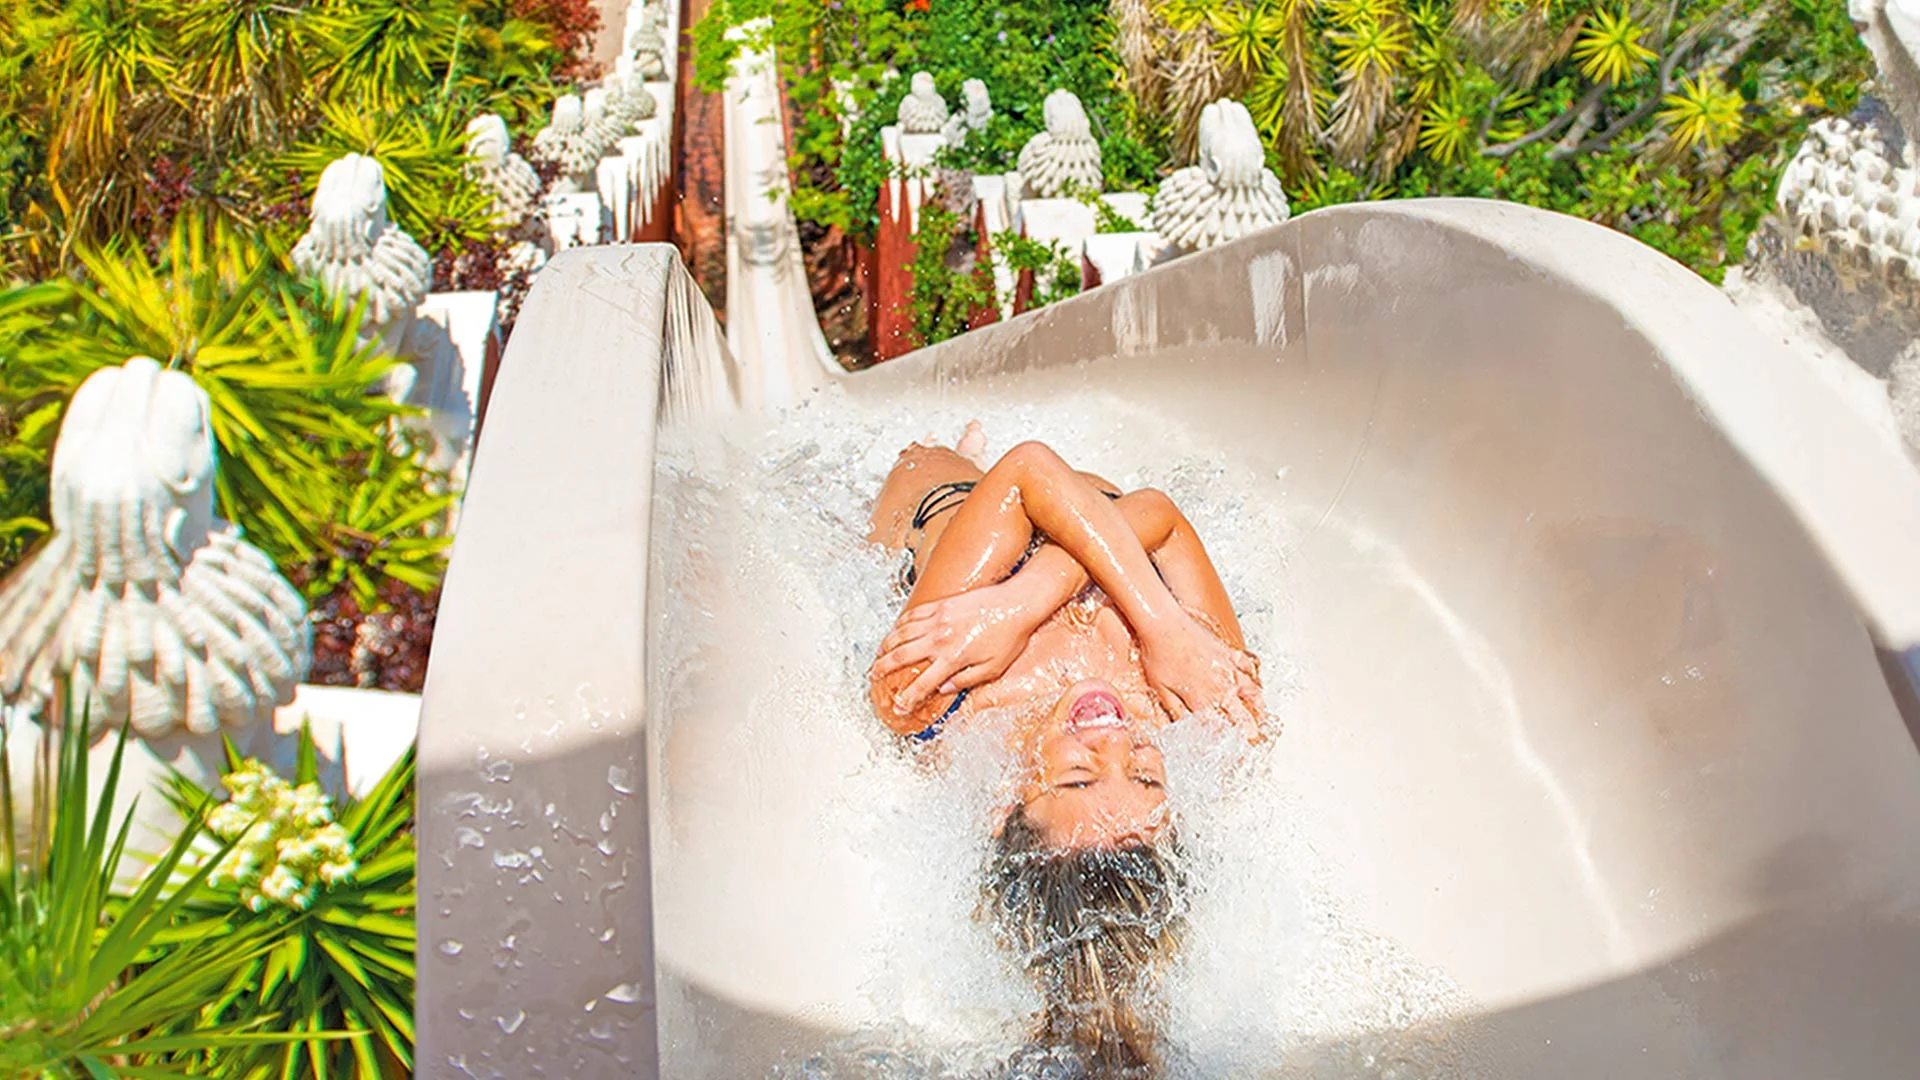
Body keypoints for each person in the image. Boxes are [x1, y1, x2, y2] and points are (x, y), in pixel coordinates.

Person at [865, 423, 1267, 1078]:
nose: (1111, 735)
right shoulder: (1208, 705)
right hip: (1085, 499)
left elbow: (1028, 471)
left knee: (922, 456)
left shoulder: (935, 693)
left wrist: (1014, 606)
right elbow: (1159, 514)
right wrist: (1162, 623)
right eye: (1146, 774)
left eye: (1078, 776)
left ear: (1007, 805)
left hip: (938, 510)